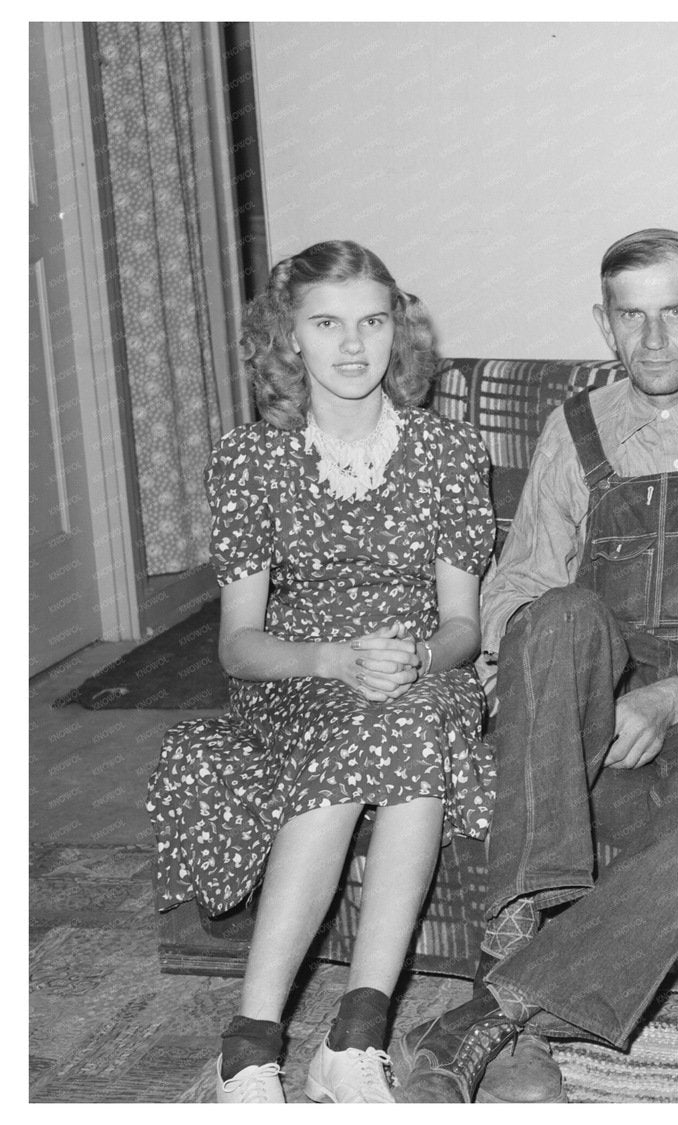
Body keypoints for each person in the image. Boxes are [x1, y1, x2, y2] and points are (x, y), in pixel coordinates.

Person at [392, 229, 678, 1103]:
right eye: (631, 316)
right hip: (592, 713)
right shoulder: (573, 426)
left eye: (675, 313)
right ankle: (517, 922)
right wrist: (559, 688)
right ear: (603, 323)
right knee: (558, 611)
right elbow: (512, 592)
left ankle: (496, 1005)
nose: (653, 339)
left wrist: (673, 695)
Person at [147, 240, 496, 1103]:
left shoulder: (449, 451)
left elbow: (462, 624)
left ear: (397, 332)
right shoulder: (250, 459)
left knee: (407, 717)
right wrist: (332, 661)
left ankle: (344, 1039)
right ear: (288, 337)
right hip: (295, 678)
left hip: (418, 673)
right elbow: (239, 644)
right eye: (326, 323)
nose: (352, 344)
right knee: (367, 733)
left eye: (372, 321)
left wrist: (420, 656)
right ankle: (261, 1047)